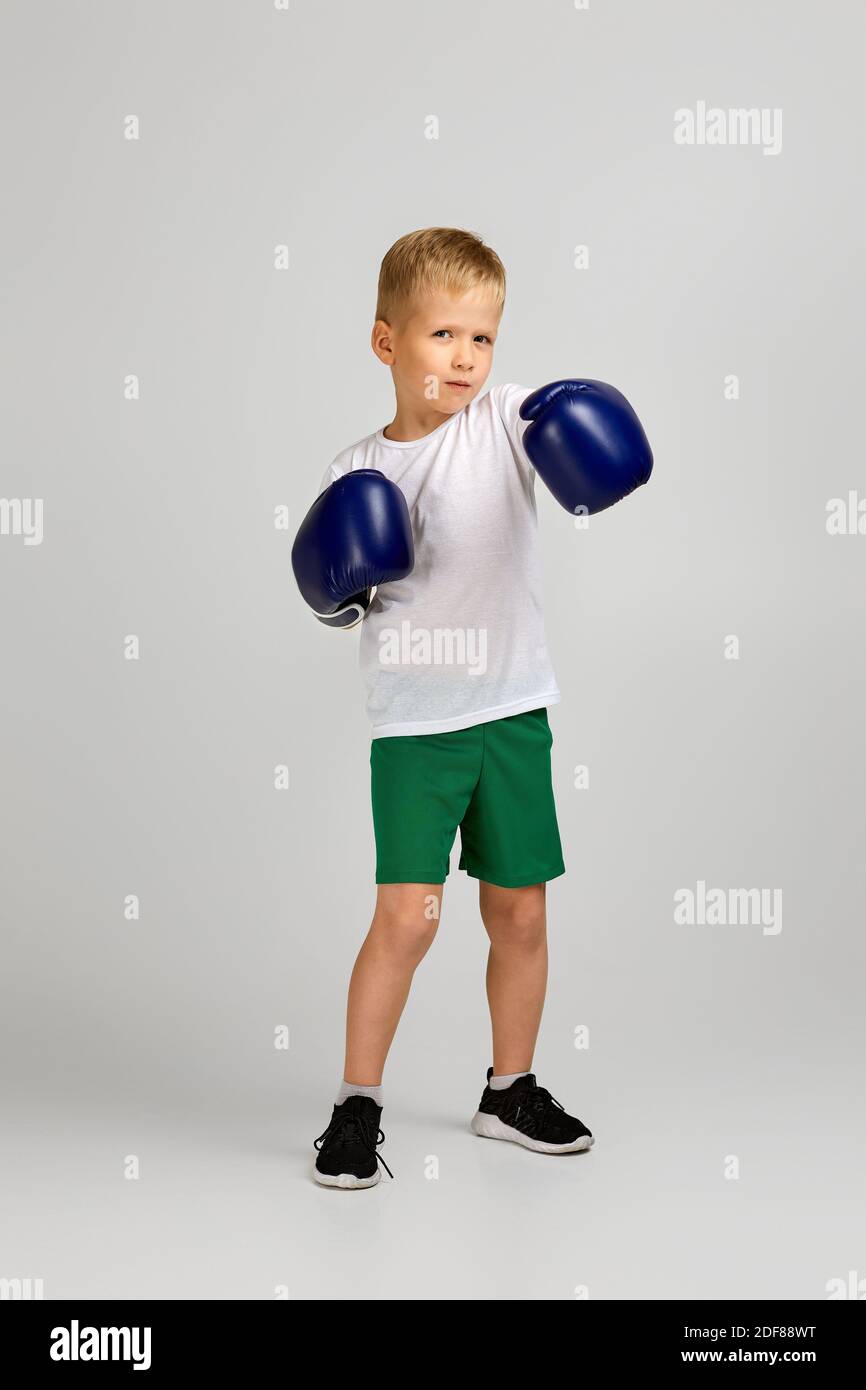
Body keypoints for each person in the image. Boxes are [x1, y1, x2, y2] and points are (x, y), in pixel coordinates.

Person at [292, 227, 653, 1187]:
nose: (464, 358)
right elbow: (337, 601)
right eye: (443, 335)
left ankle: (510, 1088)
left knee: (522, 913)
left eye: (482, 339)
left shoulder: (504, 422)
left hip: (514, 710)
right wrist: (333, 591)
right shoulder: (356, 469)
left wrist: (587, 431)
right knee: (407, 920)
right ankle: (356, 1104)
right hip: (417, 727)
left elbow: (574, 442)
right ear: (386, 343)